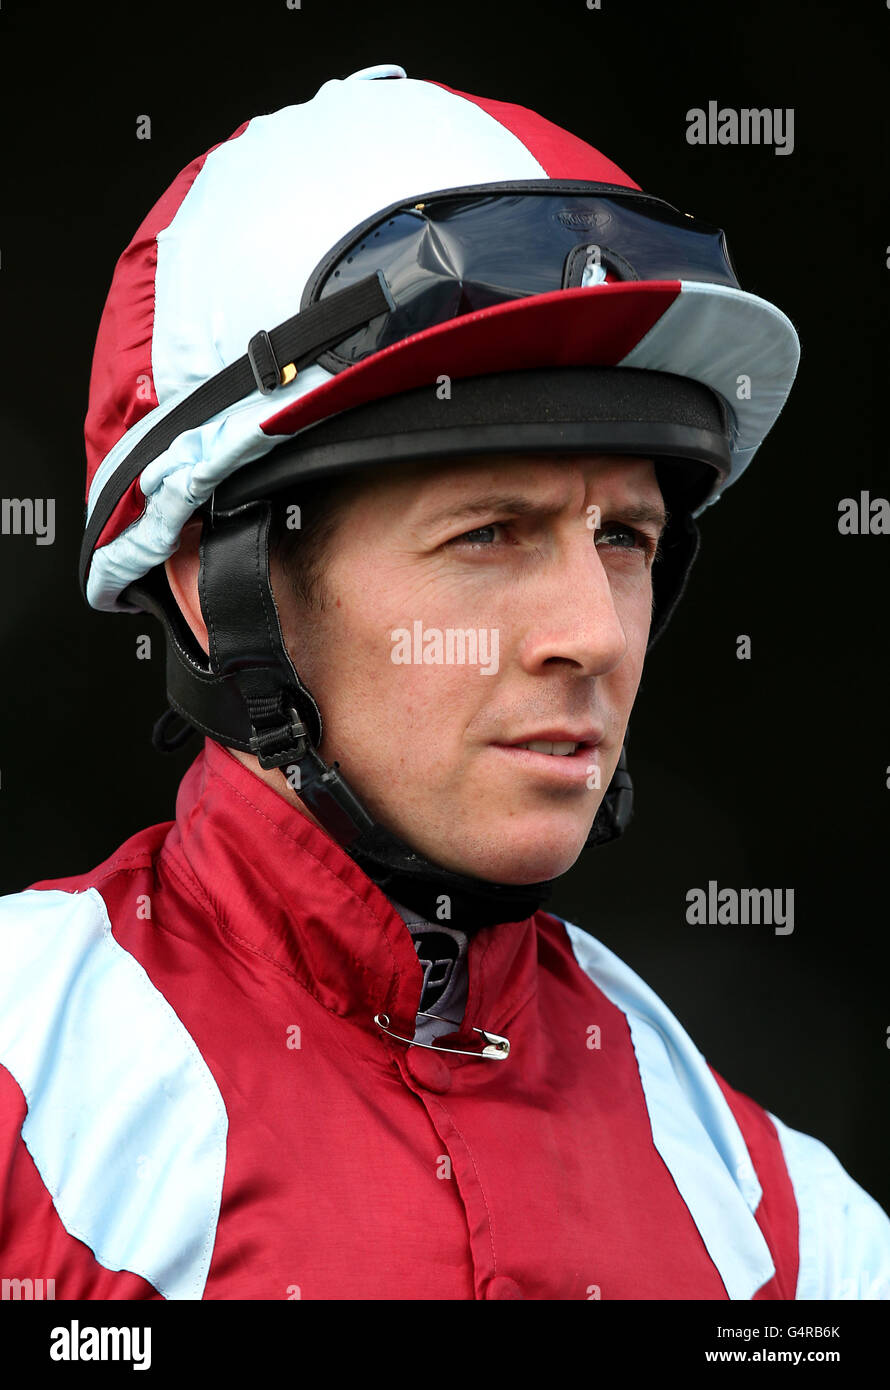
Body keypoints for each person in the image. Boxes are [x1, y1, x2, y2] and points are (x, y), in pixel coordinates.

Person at [1, 62, 887, 1302]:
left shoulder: (789, 1224)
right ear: (221, 580)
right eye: (487, 534)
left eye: (621, 538)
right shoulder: (16, 1081)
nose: (593, 633)